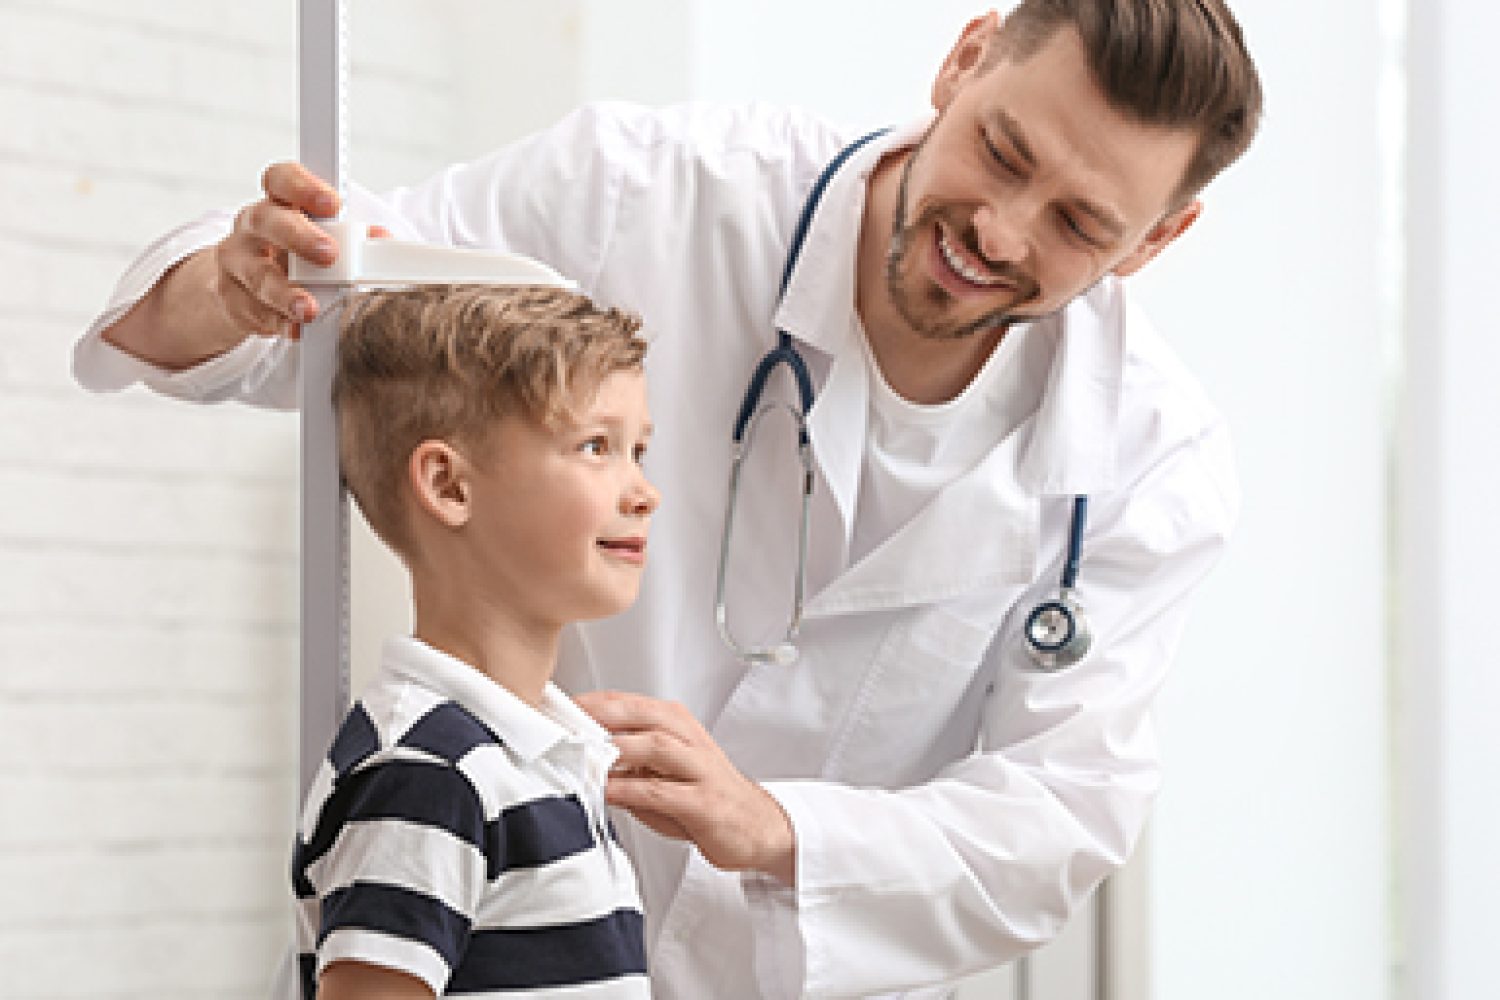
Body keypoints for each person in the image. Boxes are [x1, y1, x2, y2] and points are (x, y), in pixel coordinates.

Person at [74, 3, 1263, 997]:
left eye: (1080, 225)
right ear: (964, 59)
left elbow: (1060, 812)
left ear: (1158, 240)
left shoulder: (1151, 461)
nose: (998, 232)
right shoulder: (648, 193)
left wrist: (779, 828)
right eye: (1003, 152)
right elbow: (334, 311)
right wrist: (234, 286)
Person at [288, 283, 659, 999]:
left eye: (637, 450)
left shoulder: (542, 762)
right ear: (449, 485)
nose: (644, 491)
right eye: (596, 447)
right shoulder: (429, 776)